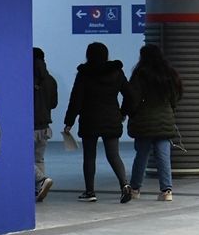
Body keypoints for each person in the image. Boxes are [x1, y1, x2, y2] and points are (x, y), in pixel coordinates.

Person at [63, 42, 131, 203]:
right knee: (114, 155)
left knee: (89, 157)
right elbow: (130, 94)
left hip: (90, 119)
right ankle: (125, 185)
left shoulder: (84, 73)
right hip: (111, 118)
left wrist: (69, 122)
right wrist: (123, 112)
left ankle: (90, 192)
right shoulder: (116, 72)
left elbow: (76, 99)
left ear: (88, 55)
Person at [124, 44, 182, 201]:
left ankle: (135, 189)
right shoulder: (169, 74)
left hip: (144, 122)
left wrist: (128, 113)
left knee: (141, 156)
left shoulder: (140, 74)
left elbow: (132, 98)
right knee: (164, 156)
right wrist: (169, 110)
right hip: (164, 120)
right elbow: (175, 97)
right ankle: (167, 190)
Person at [32, 48, 57, 202]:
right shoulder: (51, 80)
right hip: (45, 126)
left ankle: (41, 180)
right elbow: (53, 104)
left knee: (24, 159)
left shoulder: (25, 78)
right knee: (39, 159)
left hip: (30, 126)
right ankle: (38, 189)